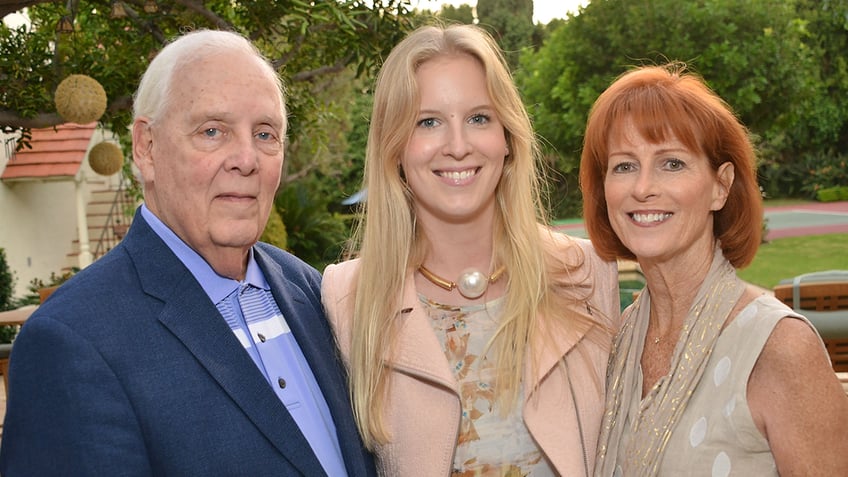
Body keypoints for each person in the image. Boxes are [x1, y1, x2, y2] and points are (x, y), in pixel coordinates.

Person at [0, 29, 375, 476]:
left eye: (265, 133)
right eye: (212, 131)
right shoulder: (71, 342)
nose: (246, 158)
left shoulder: (310, 289)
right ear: (147, 147)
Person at [321, 23, 620, 476]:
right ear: (395, 147)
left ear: (508, 139)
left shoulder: (588, 274)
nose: (457, 146)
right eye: (428, 122)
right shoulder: (346, 299)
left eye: (478, 117)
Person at [580, 63, 848, 476]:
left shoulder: (779, 348)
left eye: (671, 163)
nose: (642, 187)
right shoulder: (619, 338)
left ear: (720, 186)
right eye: (624, 165)